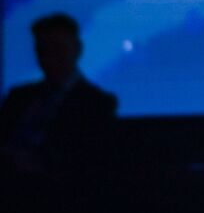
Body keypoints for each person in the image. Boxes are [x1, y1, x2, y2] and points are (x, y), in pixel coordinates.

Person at [0, 13, 118, 178]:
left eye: (57, 48)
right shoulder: (19, 96)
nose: (49, 58)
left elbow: (84, 162)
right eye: (43, 50)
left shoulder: (96, 103)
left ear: (76, 49)